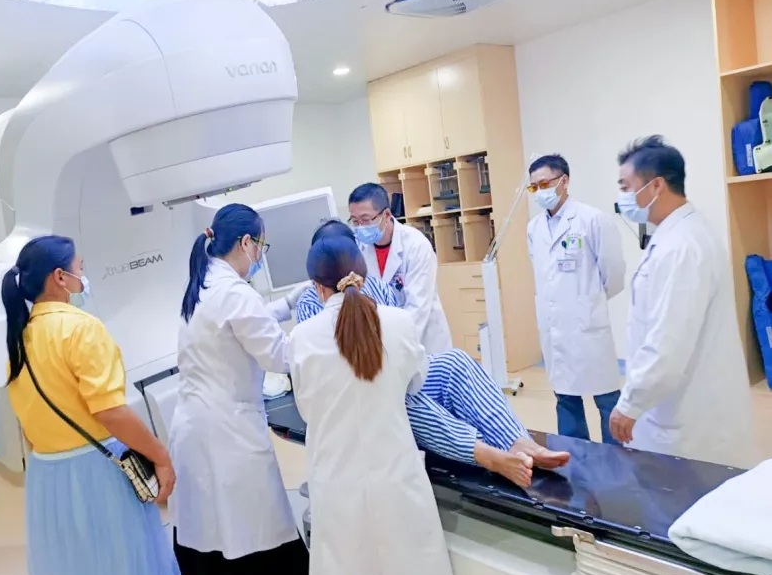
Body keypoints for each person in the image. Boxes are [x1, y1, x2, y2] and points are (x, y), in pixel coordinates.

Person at [296, 219, 569, 488]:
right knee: (401, 399)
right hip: (363, 392)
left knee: (456, 362)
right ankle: (487, 455)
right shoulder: (309, 304)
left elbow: (401, 344)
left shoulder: (375, 286)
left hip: (398, 373)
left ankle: (517, 441)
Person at [0, 235, 185, 575]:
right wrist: (160, 456)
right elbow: (110, 411)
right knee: (123, 568)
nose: (83, 277)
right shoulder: (81, 328)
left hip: (47, 477)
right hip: (97, 473)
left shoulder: (19, 340)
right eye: (80, 268)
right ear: (60, 277)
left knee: (74, 573)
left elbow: (29, 428)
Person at [289, 235, 457, 575]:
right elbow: (416, 382)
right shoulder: (399, 323)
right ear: (363, 275)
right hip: (395, 478)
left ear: (316, 286)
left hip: (337, 484)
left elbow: (306, 408)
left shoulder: (300, 338)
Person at [172, 203, 309, 575]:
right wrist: (318, 332)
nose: (260, 254)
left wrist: (287, 304)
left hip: (196, 425)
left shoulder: (203, 284)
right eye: (261, 245)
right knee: (249, 530)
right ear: (246, 242)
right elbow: (279, 356)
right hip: (228, 431)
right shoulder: (235, 293)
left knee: (213, 531)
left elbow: (243, 324)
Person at [610, 136, 756, 468]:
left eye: (626, 187)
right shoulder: (681, 233)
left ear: (656, 185)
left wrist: (630, 404)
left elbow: (667, 342)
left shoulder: (682, 246)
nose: (622, 198)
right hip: (683, 404)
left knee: (684, 490)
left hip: (691, 420)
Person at [526, 154, 626, 444]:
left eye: (545, 183)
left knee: (606, 399)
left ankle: (618, 459)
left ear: (564, 181)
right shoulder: (534, 228)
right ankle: (577, 457)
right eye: (534, 187)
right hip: (555, 328)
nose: (540, 191)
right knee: (565, 398)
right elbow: (544, 275)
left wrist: (587, 303)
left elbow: (614, 274)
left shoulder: (593, 220)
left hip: (587, 327)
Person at [348, 183, 452, 354]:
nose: (360, 227)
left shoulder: (416, 246)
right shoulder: (358, 248)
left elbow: (417, 310)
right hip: (384, 344)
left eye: (365, 220)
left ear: (386, 215)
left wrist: (393, 350)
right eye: (355, 221)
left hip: (423, 343)